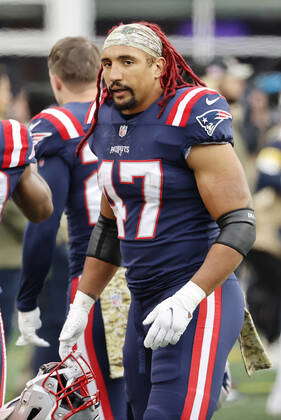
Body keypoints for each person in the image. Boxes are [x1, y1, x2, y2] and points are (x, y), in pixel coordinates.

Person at [58, 22, 256, 419]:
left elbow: (240, 222)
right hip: (141, 299)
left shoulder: (189, 113)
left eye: (128, 61)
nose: (114, 74)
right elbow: (111, 226)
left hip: (199, 297)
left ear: (158, 67)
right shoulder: (108, 121)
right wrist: (82, 304)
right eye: (108, 62)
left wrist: (188, 299)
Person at [15, 36, 128, 419]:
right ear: (101, 73)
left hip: (96, 277)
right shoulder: (130, 114)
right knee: (149, 400)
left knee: (101, 403)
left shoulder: (56, 124)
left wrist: (27, 300)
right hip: (154, 272)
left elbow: (43, 220)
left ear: (55, 79)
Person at [0, 118, 53, 406]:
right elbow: (42, 209)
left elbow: (42, 209)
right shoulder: (7, 139)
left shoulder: (8, 140)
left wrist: (21, 167)